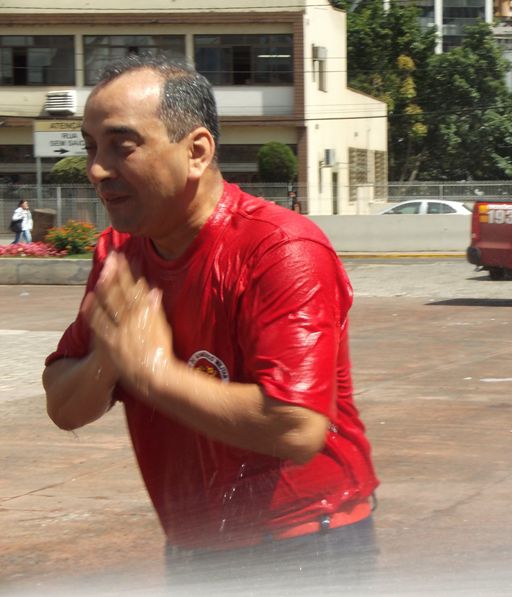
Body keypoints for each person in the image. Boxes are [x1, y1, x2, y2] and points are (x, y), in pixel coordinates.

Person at [42, 55, 379, 588]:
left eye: (122, 146)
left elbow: (297, 426)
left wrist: (153, 372)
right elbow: (63, 406)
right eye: (91, 147)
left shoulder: (281, 249)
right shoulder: (120, 255)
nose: (97, 170)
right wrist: (110, 356)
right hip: (194, 547)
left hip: (305, 544)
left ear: (196, 151)